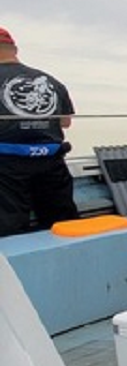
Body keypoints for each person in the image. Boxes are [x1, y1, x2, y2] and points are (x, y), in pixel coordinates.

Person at [0, 26, 80, 236]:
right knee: (63, 225)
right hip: (51, 163)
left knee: (10, 232)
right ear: (14, 50)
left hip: (6, 169)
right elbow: (65, 123)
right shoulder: (52, 81)